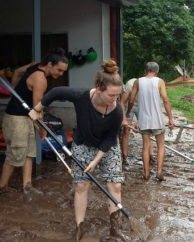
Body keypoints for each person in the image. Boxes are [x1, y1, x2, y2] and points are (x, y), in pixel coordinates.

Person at [29, 59, 128, 241]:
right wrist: (37, 109)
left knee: (115, 185)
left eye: (118, 95)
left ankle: (115, 231)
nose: (115, 100)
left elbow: (109, 139)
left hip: (107, 148)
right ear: (99, 89)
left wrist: (96, 161)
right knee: (81, 185)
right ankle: (79, 227)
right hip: (83, 144)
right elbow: (55, 92)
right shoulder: (81, 96)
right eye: (111, 95)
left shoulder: (116, 112)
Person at [0, 48, 68, 197]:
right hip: (17, 119)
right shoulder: (40, 79)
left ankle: (27, 186)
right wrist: (42, 129)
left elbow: (18, 72)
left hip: (26, 117)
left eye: (64, 71)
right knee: (16, 154)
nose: (61, 74)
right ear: (50, 64)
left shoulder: (36, 64)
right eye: (59, 70)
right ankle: (2, 187)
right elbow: (38, 108)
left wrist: (15, 91)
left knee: (29, 152)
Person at [129, 61, 174, 181]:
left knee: (145, 147)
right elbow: (165, 100)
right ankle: (159, 172)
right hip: (157, 120)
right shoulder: (159, 81)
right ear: (157, 71)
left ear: (145, 70)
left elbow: (131, 100)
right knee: (160, 146)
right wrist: (170, 118)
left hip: (144, 120)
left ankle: (146, 173)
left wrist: (128, 112)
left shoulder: (138, 81)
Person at [119, 78, 138, 165]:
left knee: (147, 131)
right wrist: (124, 118)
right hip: (128, 105)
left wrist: (139, 122)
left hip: (141, 105)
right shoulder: (129, 84)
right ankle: (125, 157)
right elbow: (122, 102)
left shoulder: (148, 86)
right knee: (126, 131)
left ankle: (150, 155)